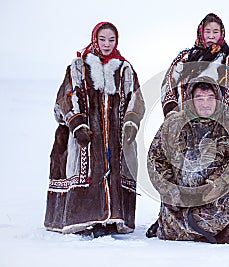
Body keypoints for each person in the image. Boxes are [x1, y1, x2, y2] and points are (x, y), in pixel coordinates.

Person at [44, 22, 145, 238]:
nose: (107, 44)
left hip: (116, 136)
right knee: (88, 170)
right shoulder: (79, 66)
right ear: (94, 39)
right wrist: (77, 124)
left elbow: (136, 99)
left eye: (111, 40)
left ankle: (111, 219)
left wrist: (130, 123)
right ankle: (88, 218)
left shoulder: (124, 68)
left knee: (114, 171)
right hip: (86, 135)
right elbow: (66, 96)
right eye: (102, 39)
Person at [147, 77, 229, 244]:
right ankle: (192, 229)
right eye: (199, 98)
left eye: (210, 98)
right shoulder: (174, 124)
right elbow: (156, 160)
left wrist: (216, 183)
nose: (205, 103)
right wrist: (172, 192)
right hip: (182, 199)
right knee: (177, 227)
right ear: (191, 99)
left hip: (217, 195)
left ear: (218, 99)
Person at [161, 13, 229, 119]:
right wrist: (172, 110)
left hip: (224, 124)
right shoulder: (184, 59)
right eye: (207, 32)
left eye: (215, 32)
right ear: (201, 33)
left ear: (222, 33)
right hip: (186, 121)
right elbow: (169, 84)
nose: (211, 36)